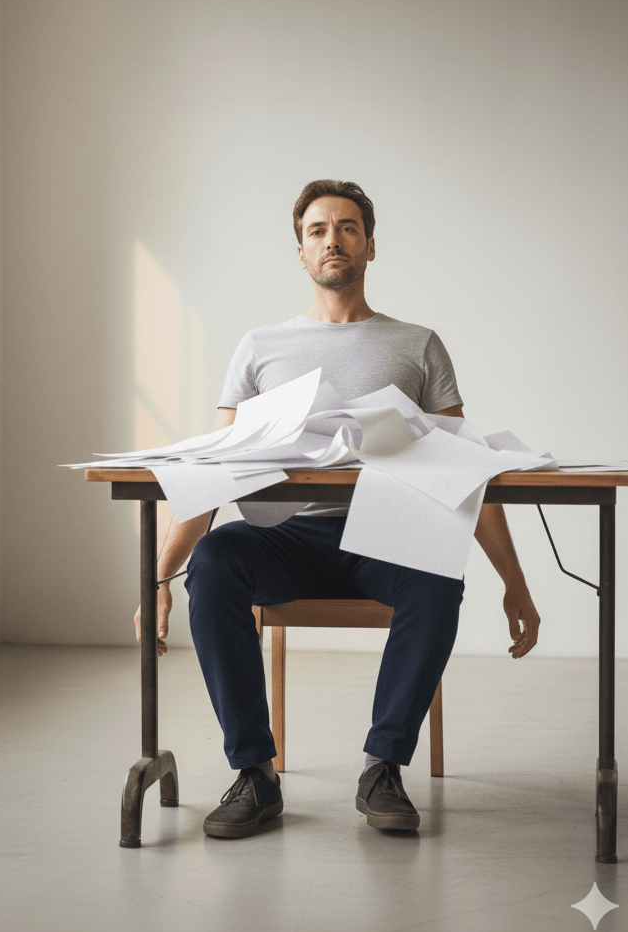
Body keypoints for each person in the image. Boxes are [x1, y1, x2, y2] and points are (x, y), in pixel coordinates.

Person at [133, 179, 542, 838]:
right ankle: (255, 774)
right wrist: (157, 582)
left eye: (347, 227)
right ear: (300, 251)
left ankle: (383, 767)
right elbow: (216, 467)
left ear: (370, 246)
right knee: (216, 559)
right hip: (288, 538)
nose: (333, 239)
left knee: (438, 571)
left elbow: (468, 470)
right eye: (318, 230)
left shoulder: (418, 345)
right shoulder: (259, 349)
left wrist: (515, 584)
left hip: (387, 539)